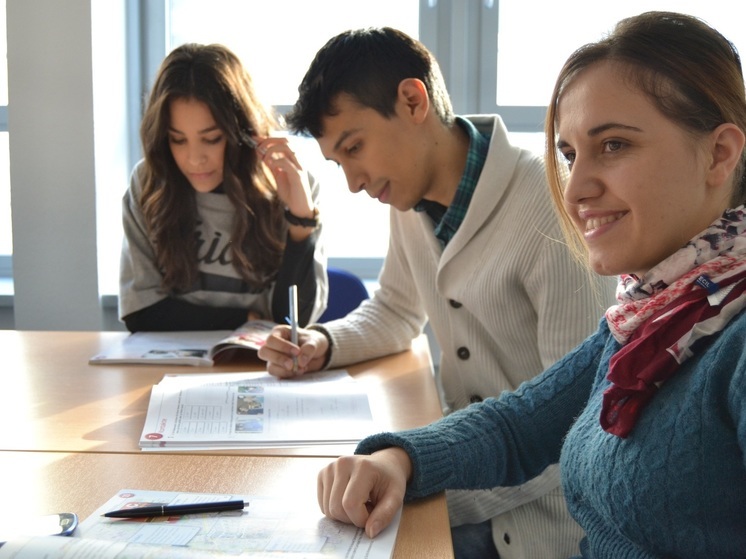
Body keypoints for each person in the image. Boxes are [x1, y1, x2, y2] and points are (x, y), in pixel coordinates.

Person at [315, 11, 746, 558]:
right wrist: (398, 458)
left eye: (614, 145)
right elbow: (519, 425)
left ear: (720, 153)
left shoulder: (729, 337)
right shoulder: (657, 313)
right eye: (568, 155)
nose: (576, 189)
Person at [258, 27, 616, 559]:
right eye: (338, 163)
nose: (354, 182)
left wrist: (423, 490)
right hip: (462, 471)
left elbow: (571, 427)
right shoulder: (408, 199)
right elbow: (396, 311)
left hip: (540, 525)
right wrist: (322, 344)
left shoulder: (549, 205)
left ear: (412, 100)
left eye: (355, 148)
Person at [119, 43, 327, 332]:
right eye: (178, 140)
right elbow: (141, 313)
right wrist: (245, 320)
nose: (194, 159)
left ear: (241, 133)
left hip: (260, 368)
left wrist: (301, 220)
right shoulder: (149, 184)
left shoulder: (288, 186)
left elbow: (293, 322)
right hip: (168, 368)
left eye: (212, 138)